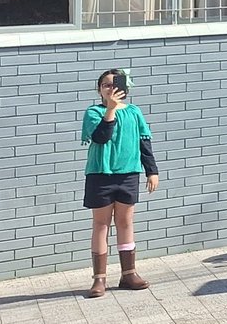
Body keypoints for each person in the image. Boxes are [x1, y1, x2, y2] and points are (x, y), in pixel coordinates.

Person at [81, 69, 159, 298]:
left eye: (114, 84)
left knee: (125, 222)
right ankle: (99, 279)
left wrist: (151, 171)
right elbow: (100, 137)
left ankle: (129, 274)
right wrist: (111, 109)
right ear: (99, 90)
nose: (110, 89)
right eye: (105, 85)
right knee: (101, 224)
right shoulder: (94, 112)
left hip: (128, 174)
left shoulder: (135, 112)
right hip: (100, 175)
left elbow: (145, 143)